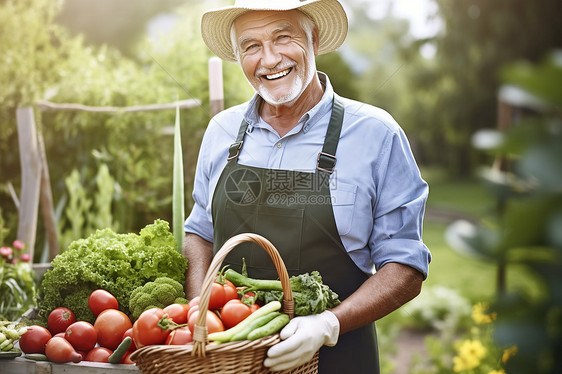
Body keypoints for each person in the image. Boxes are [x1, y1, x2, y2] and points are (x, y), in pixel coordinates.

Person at [183, 0, 431, 372]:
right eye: (251, 46)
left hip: (340, 357)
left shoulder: (376, 134)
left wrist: (329, 324)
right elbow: (199, 234)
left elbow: (405, 264)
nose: (268, 59)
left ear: (313, 41)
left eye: (283, 37)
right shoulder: (221, 131)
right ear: (238, 56)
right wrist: (200, 316)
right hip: (229, 359)